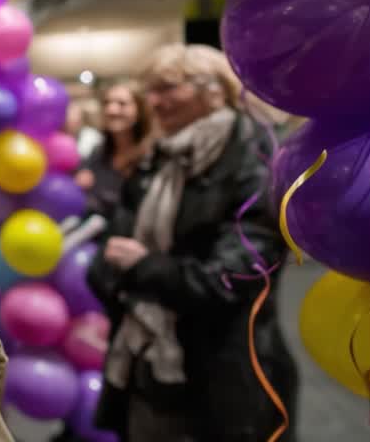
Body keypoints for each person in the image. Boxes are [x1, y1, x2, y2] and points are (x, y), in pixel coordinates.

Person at [86, 44, 298, 442]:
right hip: (146, 368)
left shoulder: (255, 162)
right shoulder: (159, 158)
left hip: (226, 379)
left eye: (167, 88)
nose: (155, 102)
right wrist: (120, 271)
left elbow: (234, 278)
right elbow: (106, 257)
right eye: (152, 90)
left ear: (213, 91)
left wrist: (143, 267)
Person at [76, 80, 154, 219]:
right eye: (107, 103)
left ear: (139, 110)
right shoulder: (98, 153)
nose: (111, 110)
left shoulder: (152, 155)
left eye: (122, 104)